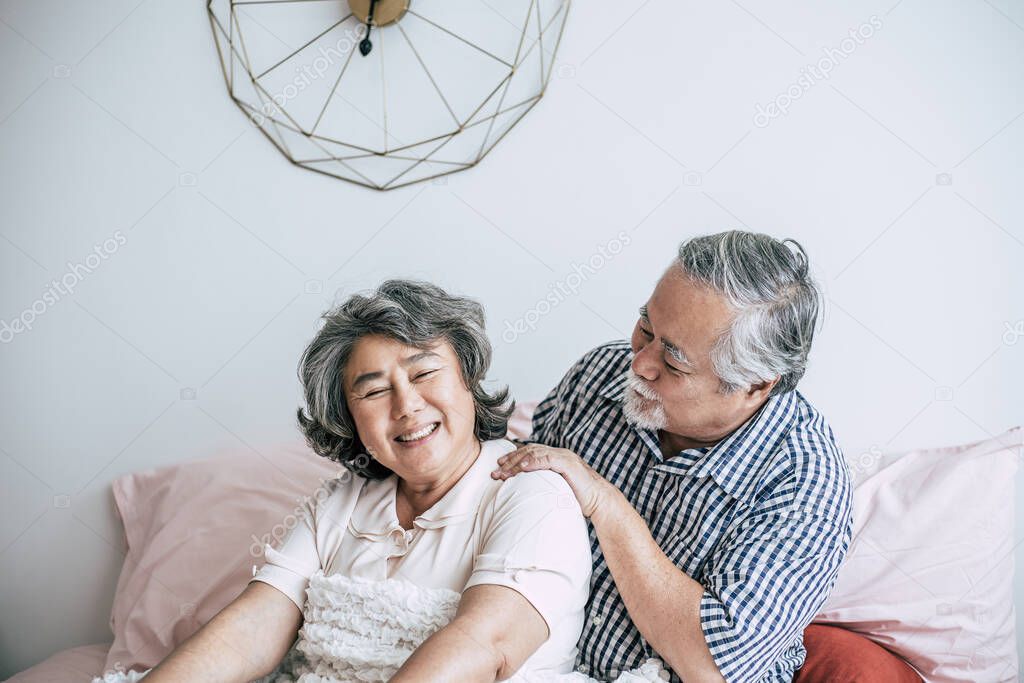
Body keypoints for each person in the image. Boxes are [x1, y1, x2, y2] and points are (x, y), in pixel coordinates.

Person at [113, 280, 595, 682]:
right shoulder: (341, 502)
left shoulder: (533, 492)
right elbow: (253, 627)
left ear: (468, 378)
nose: (406, 406)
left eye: (424, 373)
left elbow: (486, 644)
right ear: (349, 418)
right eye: (375, 390)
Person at [494, 231, 855, 682]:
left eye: (675, 361)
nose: (640, 364)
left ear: (756, 386)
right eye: (646, 327)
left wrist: (606, 505)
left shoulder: (805, 485)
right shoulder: (598, 374)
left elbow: (712, 666)